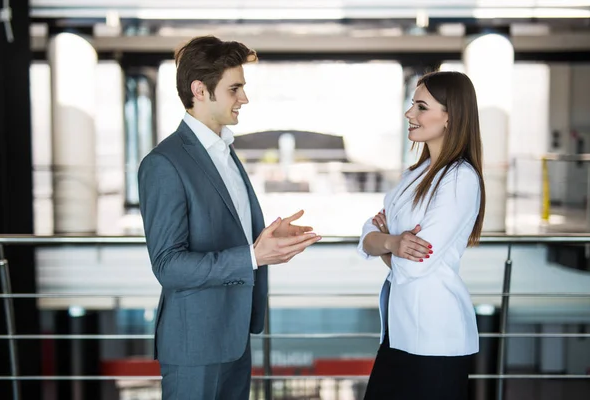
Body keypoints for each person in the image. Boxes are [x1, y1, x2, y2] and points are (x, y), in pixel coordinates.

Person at [138, 36, 321, 400]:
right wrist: (254, 256)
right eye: (234, 88)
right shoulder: (164, 163)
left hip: (234, 338)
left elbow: (225, 228)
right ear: (200, 90)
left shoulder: (224, 150)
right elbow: (168, 266)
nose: (244, 98)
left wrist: (264, 236)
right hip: (195, 345)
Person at [358, 71, 486, 400]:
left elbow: (415, 265)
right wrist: (392, 243)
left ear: (450, 116)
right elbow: (367, 234)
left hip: (434, 339)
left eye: (420, 107)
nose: (409, 114)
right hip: (399, 334)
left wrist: (383, 243)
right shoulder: (414, 173)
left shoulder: (460, 179)